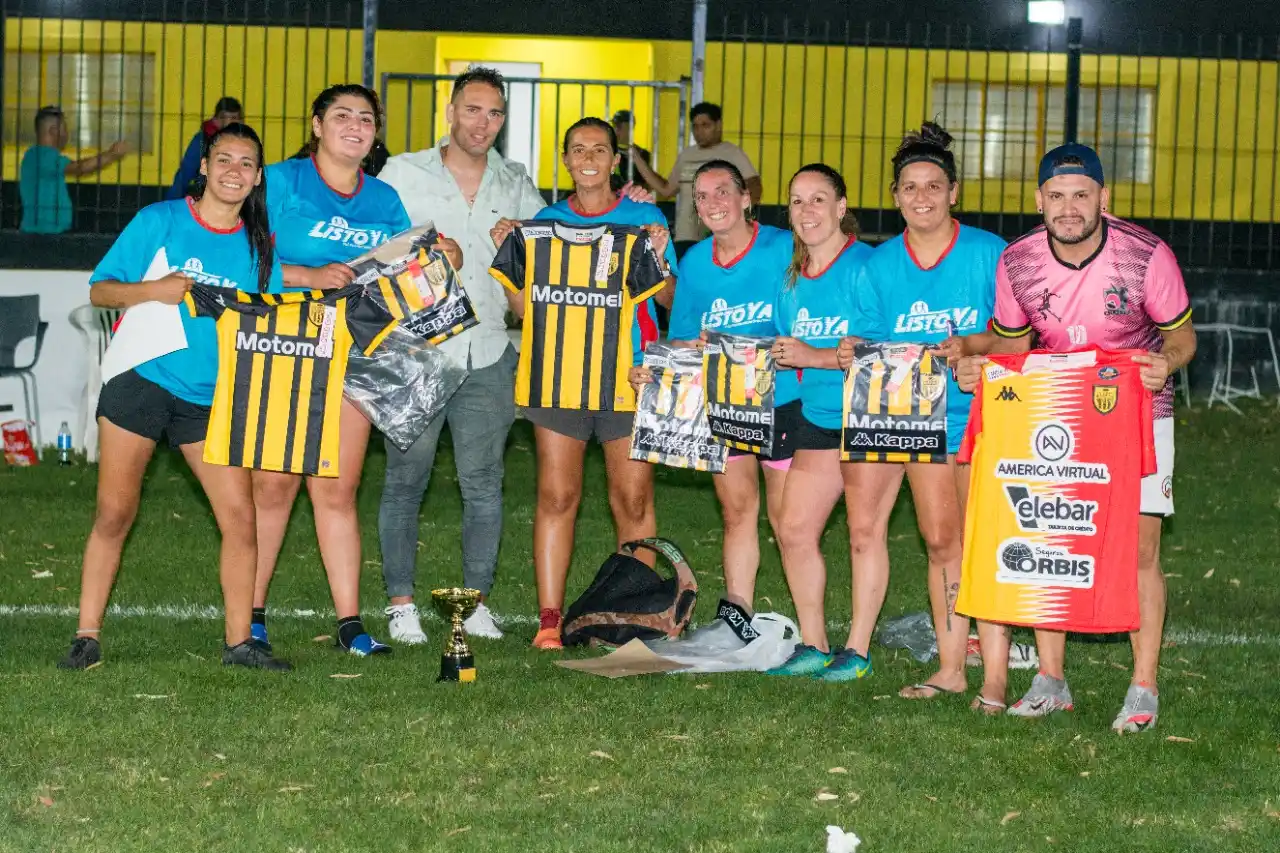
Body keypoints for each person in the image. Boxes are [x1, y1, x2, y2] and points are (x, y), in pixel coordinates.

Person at [951, 143, 1197, 732]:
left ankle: (1143, 688)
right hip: (1054, 413)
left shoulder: (1146, 254)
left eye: (1081, 195)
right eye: (1056, 196)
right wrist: (975, 362)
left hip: (1136, 411)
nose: (1069, 207)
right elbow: (1012, 347)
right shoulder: (1018, 262)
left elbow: (1184, 338)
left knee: (1139, 551)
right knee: (1050, 540)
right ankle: (1051, 680)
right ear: (1039, 201)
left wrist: (1168, 363)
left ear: (1102, 198)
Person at [59, 123, 289, 672]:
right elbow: (100, 289)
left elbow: (271, 316)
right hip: (143, 380)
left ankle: (240, 644)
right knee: (115, 513)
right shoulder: (159, 220)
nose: (235, 171)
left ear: (258, 178)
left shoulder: (260, 245)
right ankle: (86, 636)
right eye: (225, 160)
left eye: (247, 164)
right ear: (204, 167)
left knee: (240, 518)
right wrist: (153, 293)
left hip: (210, 400)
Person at [251, 83, 458, 658]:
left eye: (365, 118)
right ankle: (252, 614)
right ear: (315, 124)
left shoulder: (384, 198)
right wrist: (302, 276)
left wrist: (437, 261)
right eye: (341, 115)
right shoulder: (278, 180)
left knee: (338, 489)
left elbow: (394, 272)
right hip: (281, 344)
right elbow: (239, 256)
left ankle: (349, 623)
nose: (354, 125)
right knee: (273, 487)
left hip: (355, 353)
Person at [834, 123, 1010, 708]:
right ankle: (953, 666)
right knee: (941, 541)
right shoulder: (878, 267)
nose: (922, 197)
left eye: (934, 186)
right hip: (919, 424)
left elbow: (1022, 337)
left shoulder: (990, 253)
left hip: (987, 418)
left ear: (953, 191)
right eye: (910, 187)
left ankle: (998, 672)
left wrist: (975, 354)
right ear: (895, 195)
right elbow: (872, 346)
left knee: (990, 540)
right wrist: (852, 352)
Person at [489, 116, 677, 650]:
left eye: (600, 148)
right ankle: (549, 621)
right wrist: (510, 252)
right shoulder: (544, 222)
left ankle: (634, 615)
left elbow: (667, 301)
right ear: (566, 160)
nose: (589, 157)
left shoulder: (644, 218)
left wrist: (660, 257)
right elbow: (525, 310)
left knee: (634, 501)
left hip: (628, 378)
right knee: (555, 495)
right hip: (558, 379)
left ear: (616, 160)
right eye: (578, 149)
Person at [374, 66, 544, 643]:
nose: (483, 123)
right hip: (416, 350)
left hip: (489, 350)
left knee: (484, 483)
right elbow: (372, 249)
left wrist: (520, 244)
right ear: (451, 110)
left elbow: (546, 262)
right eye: (473, 109)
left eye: (494, 113)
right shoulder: (401, 172)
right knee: (405, 479)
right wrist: (423, 248)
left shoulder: (516, 181)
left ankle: (474, 602)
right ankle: (401, 603)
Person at [629, 159, 796, 617]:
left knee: (788, 523)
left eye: (722, 191)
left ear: (746, 198)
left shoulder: (786, 247)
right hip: (727, 405)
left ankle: (810, 629)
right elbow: (684, 336)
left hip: (784, 400)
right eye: (702, 196)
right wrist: (651, 367)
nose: (712, 203)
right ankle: (737, 614)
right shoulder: (697, 262)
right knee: (736, 512)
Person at [763, 163, 874, 679]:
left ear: (841, 207)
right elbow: (788, 350)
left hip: (873, 418)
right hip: (820, 417)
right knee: (793, 528)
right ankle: (813, 644)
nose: (807, 211)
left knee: (864, 533)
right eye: (798, 201)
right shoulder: (790, 281)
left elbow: (886, 352)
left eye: (818, 199)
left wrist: (816, 355)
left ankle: (857, 651)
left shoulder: (865, 268)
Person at [628, 102, 761, 257]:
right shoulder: (687, 155)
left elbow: (755, 187)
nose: (699, 131)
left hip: (718, 237)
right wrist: (637, 160)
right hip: (685, 237)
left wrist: (740, 222)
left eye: (705, 125)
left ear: (718, 125)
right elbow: (666, 189)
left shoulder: (732, 153)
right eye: (695, 126)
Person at [19, 105, 130, 234]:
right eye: (64, 129)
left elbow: (80, 168)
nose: (67, 134)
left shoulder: (39, 156)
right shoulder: (42, 155)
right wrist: (112, 154)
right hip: (42, 235)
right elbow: (80, 168)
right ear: (54, 131)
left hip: (46, 234)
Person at [165, 97, 243, 200]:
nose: (238, 122)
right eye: (232, 118)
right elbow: (185, 175)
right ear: (218, 119)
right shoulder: (202, 141)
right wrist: (171, 207)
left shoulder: (241, 142)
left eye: (238, 118)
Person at [610, 109, 650, 192]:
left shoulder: (642, 154)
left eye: (620, 126)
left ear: (631, 127)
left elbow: (648, 186)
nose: (616, 129)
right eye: (614, 125)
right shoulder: (607, 152)